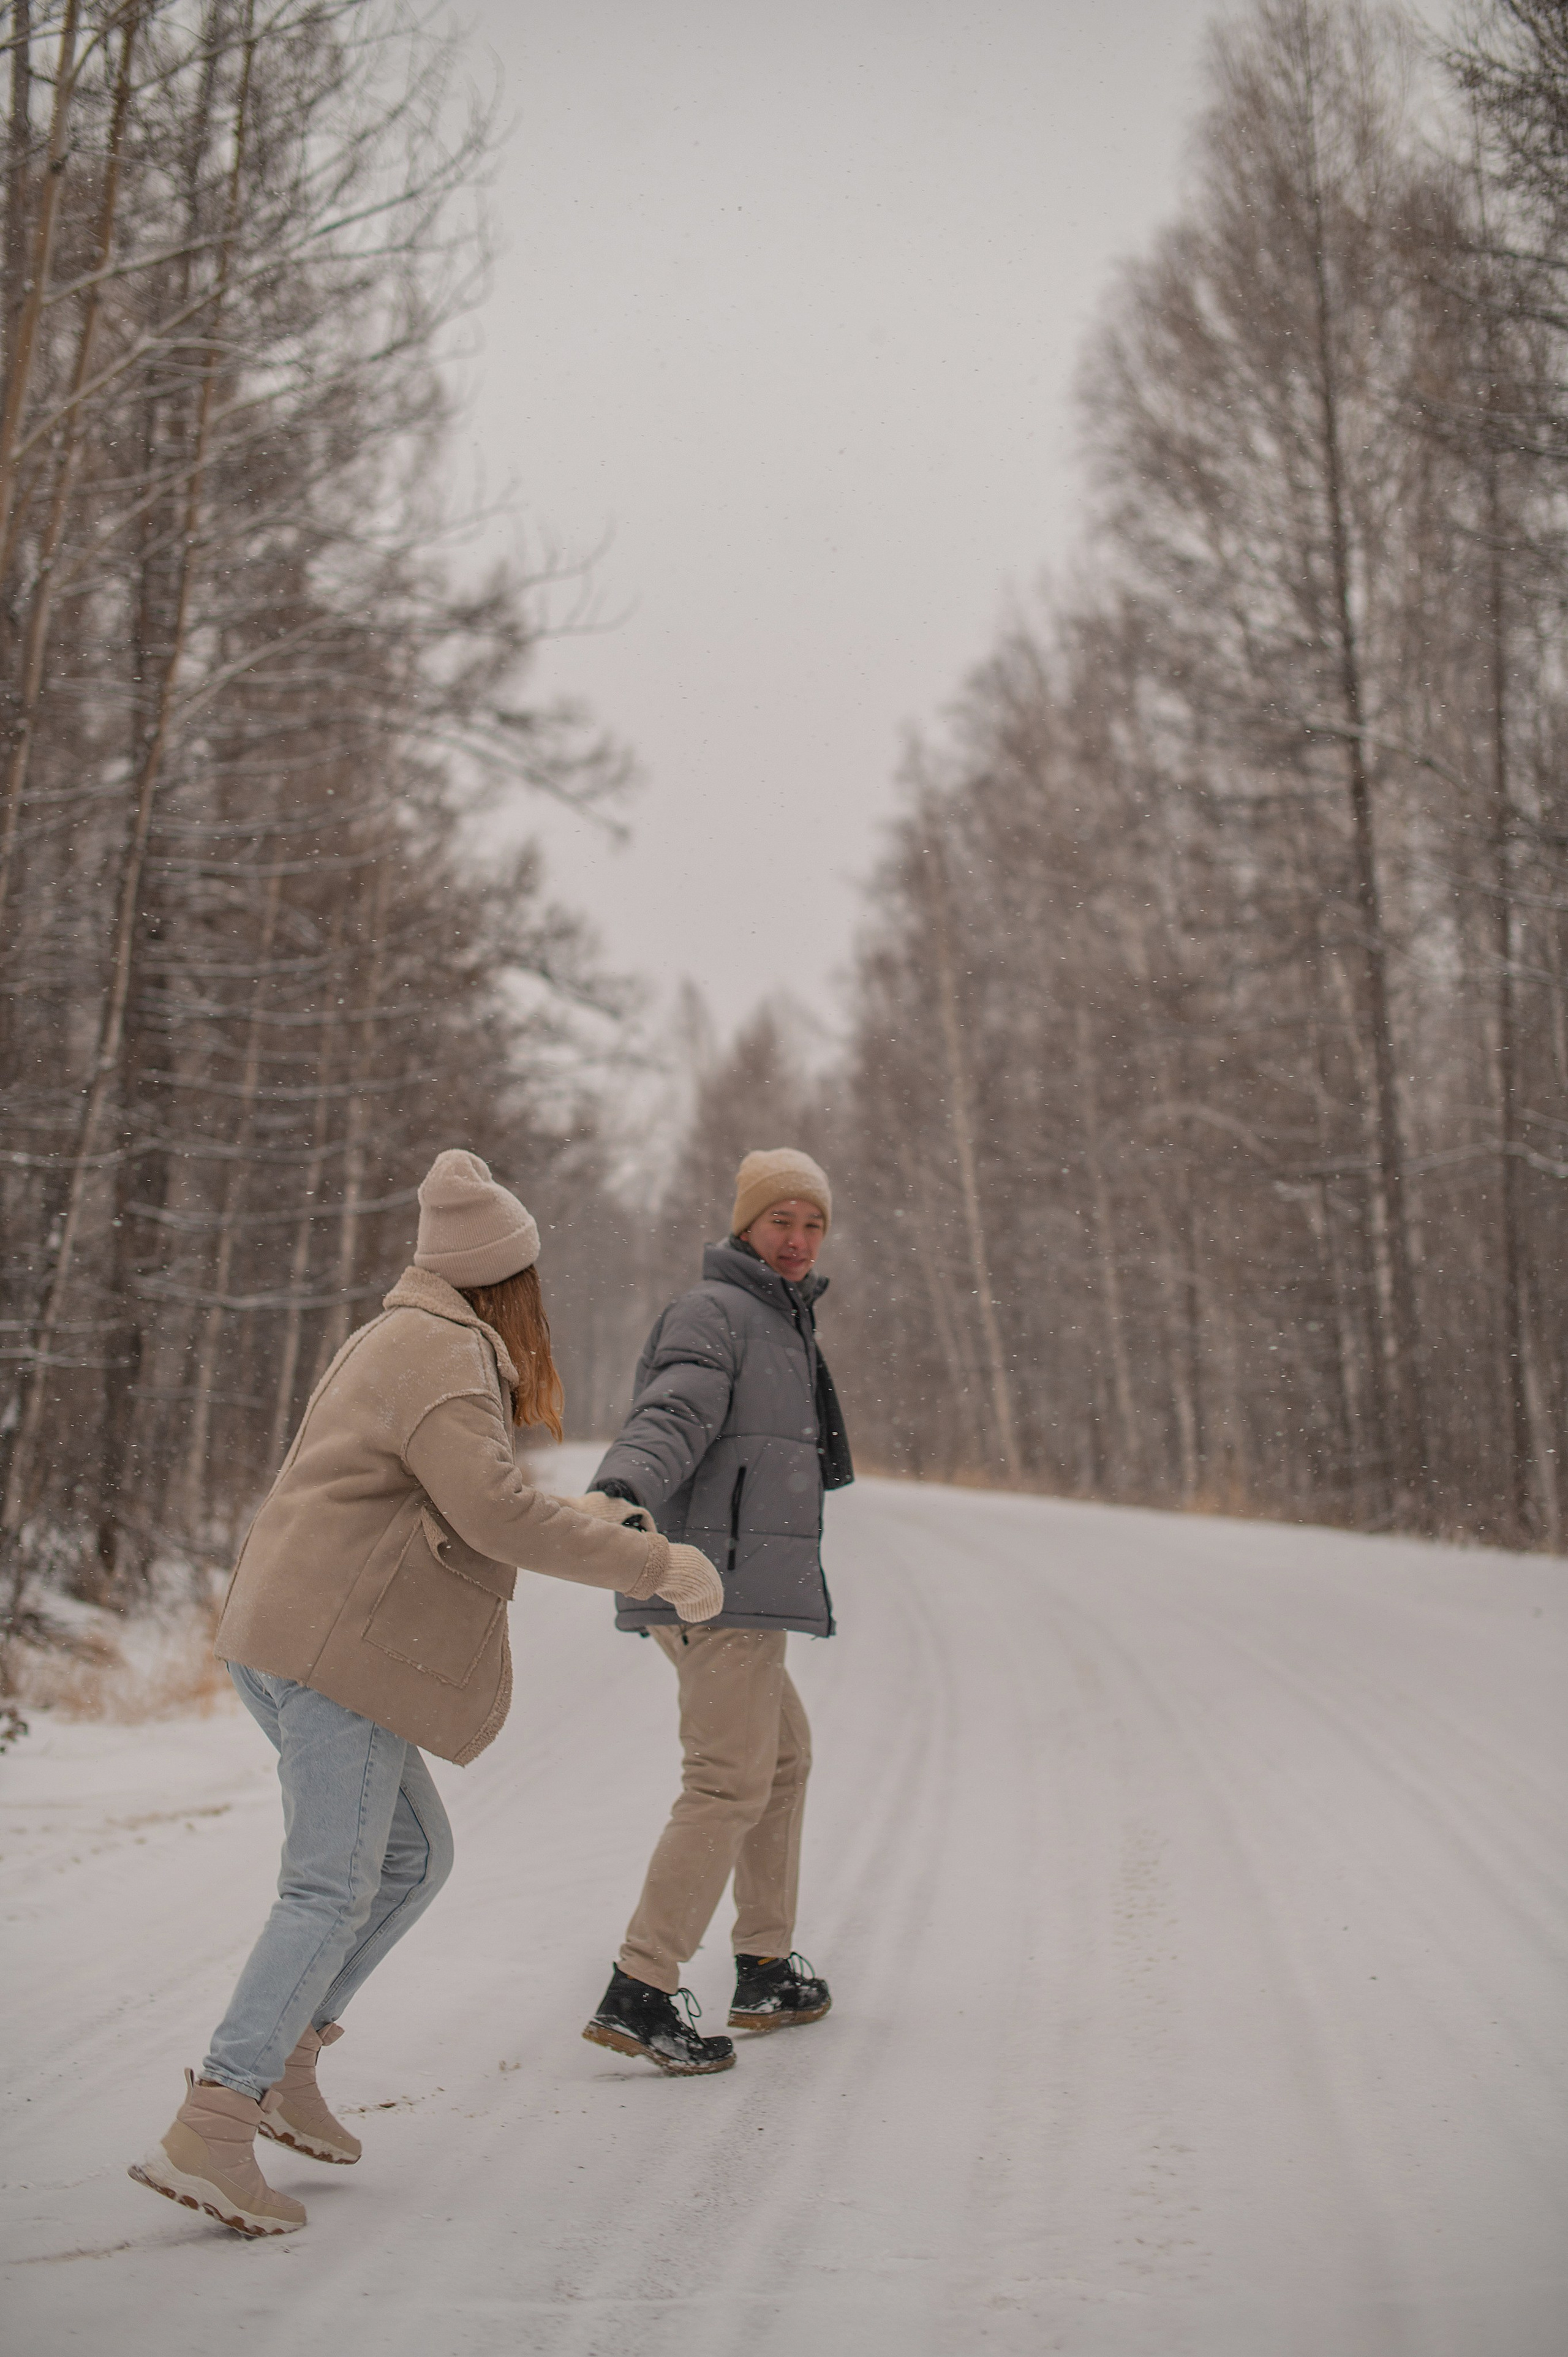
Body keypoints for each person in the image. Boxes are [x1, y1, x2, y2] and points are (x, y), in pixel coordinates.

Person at [129, 1149, 722, 2238]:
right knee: (329, 1889)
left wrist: (594, 1524)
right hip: (336, 1653)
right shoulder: (444, 1353)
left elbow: (472, 1496)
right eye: (530, 1275)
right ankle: (217, 2117)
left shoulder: (404, 1334)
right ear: (503, 1277)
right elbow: (495, 1515)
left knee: (412, 1860)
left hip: (293, 1635)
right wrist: (654, 1564)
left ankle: (285, 2063)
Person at [581, 1146, 853, 2075]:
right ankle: (642, 1987)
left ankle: (765, 1967)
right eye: (782, 1220)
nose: (799, 1239)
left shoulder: (781, 1318)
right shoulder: (718, 1312)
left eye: (813, 1224)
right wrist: (623, 1488)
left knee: (782, 1759)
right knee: (729, 1782)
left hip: (740, 1581)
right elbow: (674, 1412)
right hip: (714, 1581)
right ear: (746, 1224)